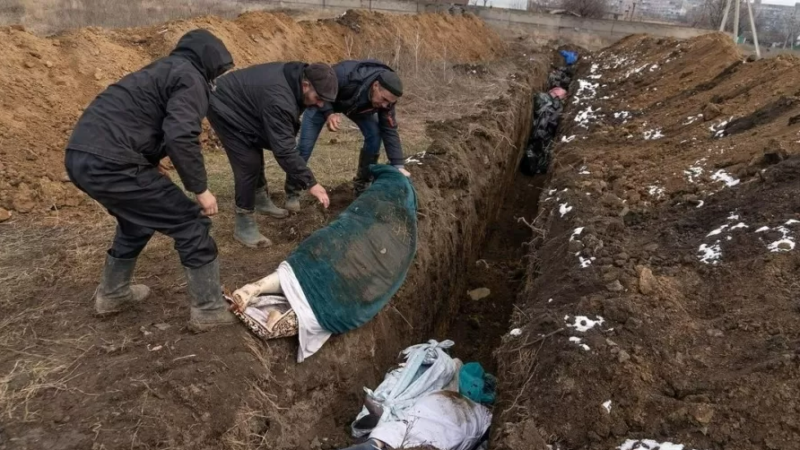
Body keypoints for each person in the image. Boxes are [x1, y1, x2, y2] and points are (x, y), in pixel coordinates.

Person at [64, 29, 236, 331]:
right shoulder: (191, 77)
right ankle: (209, 311)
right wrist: (201, 189)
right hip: (112, 162)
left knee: (138, 220)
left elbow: (136, 119)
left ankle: (113, 294)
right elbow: (181, 135)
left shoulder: (161, 70)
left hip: (81, 156)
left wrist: (150, 162)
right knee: (191, 223)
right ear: (210, 61)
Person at [208, 62, 338, 247]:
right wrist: (311, 183)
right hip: (223, 104)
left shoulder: (298, 77)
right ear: (306, 85)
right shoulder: (279, 98)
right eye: (318, 98)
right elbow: (284, 150)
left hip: (245, 102)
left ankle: (260, 200)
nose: (320, 104)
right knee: (248, 162)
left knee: (255, 144)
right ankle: (244, 225)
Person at [286, 59, 410, 212]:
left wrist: (398, 164)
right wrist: (329, 113)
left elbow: (389, 129)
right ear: (375, 85)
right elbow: (320, 89)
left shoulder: (387, 101)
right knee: (304, 148)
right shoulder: (345, 75)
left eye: (389, 103)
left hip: (355, 107)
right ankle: (292, 191)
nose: (385, 105)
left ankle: (362, 184)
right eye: (384, 99)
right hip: (322, 102)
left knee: (375, 134)